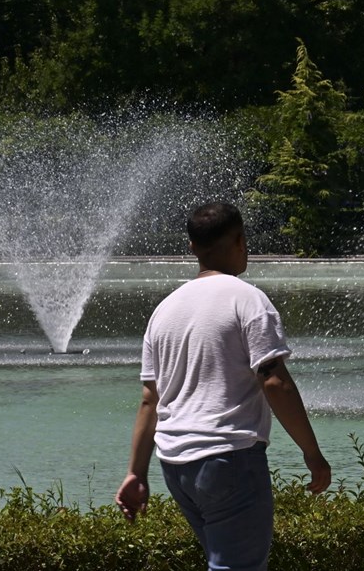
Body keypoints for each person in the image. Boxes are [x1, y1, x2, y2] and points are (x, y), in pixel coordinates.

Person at [116, 201, 331, 571]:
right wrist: (313, 455)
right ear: (241, 241)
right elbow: (275, 381)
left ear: (192, 248)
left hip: (175, 465)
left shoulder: (165, 310)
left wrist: (136, 472)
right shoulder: (247, 299)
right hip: (227, 456)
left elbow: (150, 399)